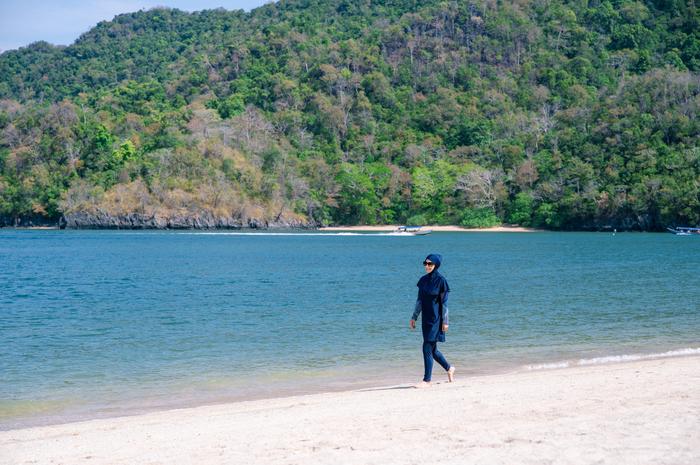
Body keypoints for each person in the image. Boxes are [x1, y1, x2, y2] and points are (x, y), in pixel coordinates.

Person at [410, 253, 455, 387]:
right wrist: (414, 317)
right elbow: (419, 301)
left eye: (430, 264)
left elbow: (445, 304)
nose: (427, 266)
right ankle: (449, 368)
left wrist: (445, 321)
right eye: (426, 263)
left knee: (426, 347)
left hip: (436, 319)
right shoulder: (423, 280)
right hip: (426, 319)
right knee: (433, 350)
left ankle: (427, 380)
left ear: (436, 265)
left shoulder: (441, 281)